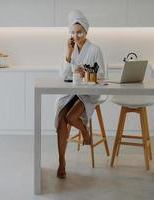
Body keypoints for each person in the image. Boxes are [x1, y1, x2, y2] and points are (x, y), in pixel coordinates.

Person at [54, 10, 106, 179]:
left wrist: (87, 72)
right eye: (73, 32)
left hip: (89, 93)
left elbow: (103, 75)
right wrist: (68, 54)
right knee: (62, 119)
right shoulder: (71, 49)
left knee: (70, 118)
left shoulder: (96, 49)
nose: (76, 36)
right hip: (71, 92)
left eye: (79, 32)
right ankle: (62, 161)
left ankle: (85, 131)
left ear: (86, 31)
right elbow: (64, 76)